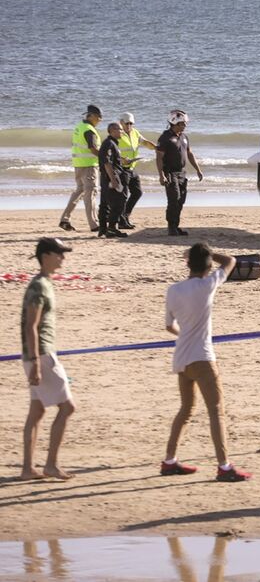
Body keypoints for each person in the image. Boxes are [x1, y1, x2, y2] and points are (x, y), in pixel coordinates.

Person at [162, 242, 251, 482]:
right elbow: (230, 261)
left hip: (182, 357)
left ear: (187, 263)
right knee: (216, 411)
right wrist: (211, 253)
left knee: (186, 409)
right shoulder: (207, 285)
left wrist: (185, 335)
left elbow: (170, 326)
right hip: (202, 356)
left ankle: (169, 460)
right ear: (208, 265)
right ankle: (224, 465)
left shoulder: (174, 290)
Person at [20, 237, 77, 481]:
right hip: (41, 354)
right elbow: (31, 326)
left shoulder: (44, 283)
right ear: (46, 256)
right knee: (67, 407)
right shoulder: (40, 286)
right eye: (59, 254)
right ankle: (51, 465)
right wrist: (35, 362)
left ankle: (27, 469)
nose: (62, 258)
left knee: (37, 412)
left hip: (38, 353)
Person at [156, 110, 203, 236]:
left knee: (181, 200)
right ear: (174, 122)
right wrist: (161, 175)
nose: (184, 126)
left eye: (185, 123)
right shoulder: (165, 138)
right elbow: (159, 157)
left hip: (182, 173)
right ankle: (171, 226)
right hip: (170, 173)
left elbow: (189, 153)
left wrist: (198, 169)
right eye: (182, 123)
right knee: (173, 199)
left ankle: (176, 226)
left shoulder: (184, 137)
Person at [59, 105, 102, 233]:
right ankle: (94, 224)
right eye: (99, 117)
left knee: (79, 191)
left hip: (78, 165)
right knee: (91, 194)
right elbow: (93, 149)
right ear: (92, 116)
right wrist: (106, 157)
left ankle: (65, 219)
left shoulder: (79, 126)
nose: (100, 120)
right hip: (89, 166)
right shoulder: (89, 130)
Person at [117, 112, 156, 229]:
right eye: (126, 123)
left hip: (132, 168)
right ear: (121, 123)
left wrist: (157, 147)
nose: (129, 126)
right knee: (123, 196)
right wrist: (122, 159)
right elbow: (111, 151)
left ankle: (125, 215)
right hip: (121, 169)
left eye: (131, 123)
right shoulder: (118, 134)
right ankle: (122, 221)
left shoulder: (135, 133)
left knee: (137, 192)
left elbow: (145, 142)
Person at [96, 122, 129, 238]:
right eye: (120, 129)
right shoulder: (109, 144)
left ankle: (103, 229)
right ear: (112, 130)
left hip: (108, 177)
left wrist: (122, 160)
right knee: (119, 201)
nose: (122, 131)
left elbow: (111, 160)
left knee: (105, 203)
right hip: (110, 177)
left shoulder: (111, 143)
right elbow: (106, 163)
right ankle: (111, 228)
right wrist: (113, 180)